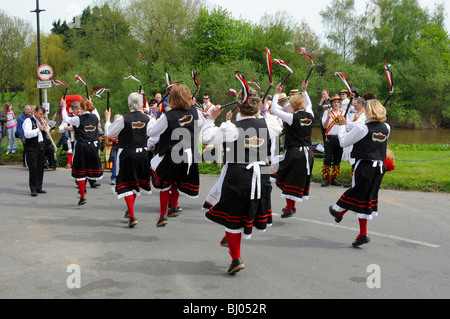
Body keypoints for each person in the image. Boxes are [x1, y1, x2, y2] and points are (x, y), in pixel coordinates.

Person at [200, 87, 282, 275]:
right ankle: (231, 239)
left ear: (239, 108)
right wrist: (263, 111)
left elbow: (205, 137)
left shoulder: (231, 128)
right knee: (248, 207)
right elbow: (277, 127)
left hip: (239, 172)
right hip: (262, 173)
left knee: (232, 216)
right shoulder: (267, 124)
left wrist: (211, 117)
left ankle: (236, 257)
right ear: (258, 106)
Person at [329, 99, 391, 247]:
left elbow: (344, 142)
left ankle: (339, 210)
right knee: (365, 197)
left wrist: (342, 126)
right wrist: (348, 124)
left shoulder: (363, 128)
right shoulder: (387, 127)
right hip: (379, 168)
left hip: (364, 165)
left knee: (357, 193)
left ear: (369, 111)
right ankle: (361, 232)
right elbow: (360, 130)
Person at [147, 84, 205, 227]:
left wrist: (154, 116)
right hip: (189, 155)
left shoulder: (168, 116)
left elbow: (151, 132)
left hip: (172, 154)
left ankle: (162, 215)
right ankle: (173, 206)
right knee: (177, 181)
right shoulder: (196, 112)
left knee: (164, 183)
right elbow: (202, 126)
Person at [105, 93, 151, 227]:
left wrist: (108, 119)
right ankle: (129, 210)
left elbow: (109, 133)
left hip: (127, 153)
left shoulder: (123, 119)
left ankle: (132, 215)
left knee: (126, 183)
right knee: (135, 181)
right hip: (143, 154)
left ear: (129, 104)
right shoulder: (147, 118)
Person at [270, 81, 314, 218]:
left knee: (283, 177)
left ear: (293, 106)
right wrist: (304, 91)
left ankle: (290, 208)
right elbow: (310, 104)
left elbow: (274, 110)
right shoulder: (310, 115)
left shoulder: (291, 118)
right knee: (295, 180)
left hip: (294, 152)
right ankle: (291, 207)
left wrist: (277, 93)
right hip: (308, 153)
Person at [61, 98, 103, 206]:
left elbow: (65, 118)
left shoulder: (78, 119)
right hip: (93, 147)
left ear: (82, 108)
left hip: (82, 147)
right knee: (89, 169)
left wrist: (63, 106)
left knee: (80, 171)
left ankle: (82, 194)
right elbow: (95, 111)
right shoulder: (95, 117)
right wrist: (91, 103)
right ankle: (83, 190)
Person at [22, 105, 48, 196]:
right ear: (35, 112)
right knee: (33, 168)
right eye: (40, 114)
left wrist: (46, 126)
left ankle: (39, 187)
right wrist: (38, 129)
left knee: (40, 168)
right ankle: (33, 189)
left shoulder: (41, 121)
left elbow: (46, 132)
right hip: (32, 147)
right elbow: (27, 134)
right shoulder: (28, 121)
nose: (42, 116)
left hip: (40, 146)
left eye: (43, 114)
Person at [341, 97, 367, 187]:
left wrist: (347, 123)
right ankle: (355, 179)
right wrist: (347, 124)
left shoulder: (364, 115)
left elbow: (358, 126)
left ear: (360, 104)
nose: (353, 105)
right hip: (353, 138)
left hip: (359, 140)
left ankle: (356, 180)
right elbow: (349, 127)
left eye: (355, 103)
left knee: (356, 160)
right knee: (353, 160)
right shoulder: (356, 114)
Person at [321, 94, 345, 187]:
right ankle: (326, 179)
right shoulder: (327, 112)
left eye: (338, 102)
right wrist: (327, 117)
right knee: (327, 158)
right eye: (334, 102)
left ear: (340, 103)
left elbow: (346, 125)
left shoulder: (343, 112)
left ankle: (334, 178)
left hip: (339, 138)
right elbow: (324, 126)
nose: (336, 104)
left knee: (337, 159)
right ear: (331, 103)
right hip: (329, 138)